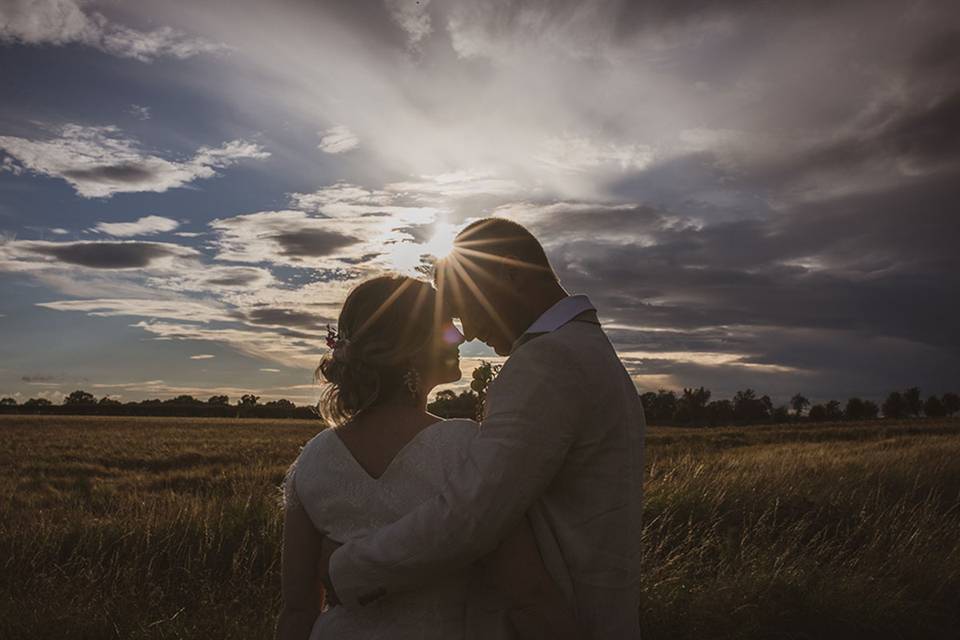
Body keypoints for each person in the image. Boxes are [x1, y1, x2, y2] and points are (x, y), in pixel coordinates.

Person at [322, 218, 647, 639]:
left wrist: (347, 570)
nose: (468, 331)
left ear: (507, 272)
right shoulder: (589, 348)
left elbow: (473, 516)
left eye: (465, 309)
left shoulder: (547, 361)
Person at [277, 274, 581, 640]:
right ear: (408, 346)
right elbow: (528, 593)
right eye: (445, 328)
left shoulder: (311, 459)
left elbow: (297, 609)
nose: (460, 338)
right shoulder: (466, 446)